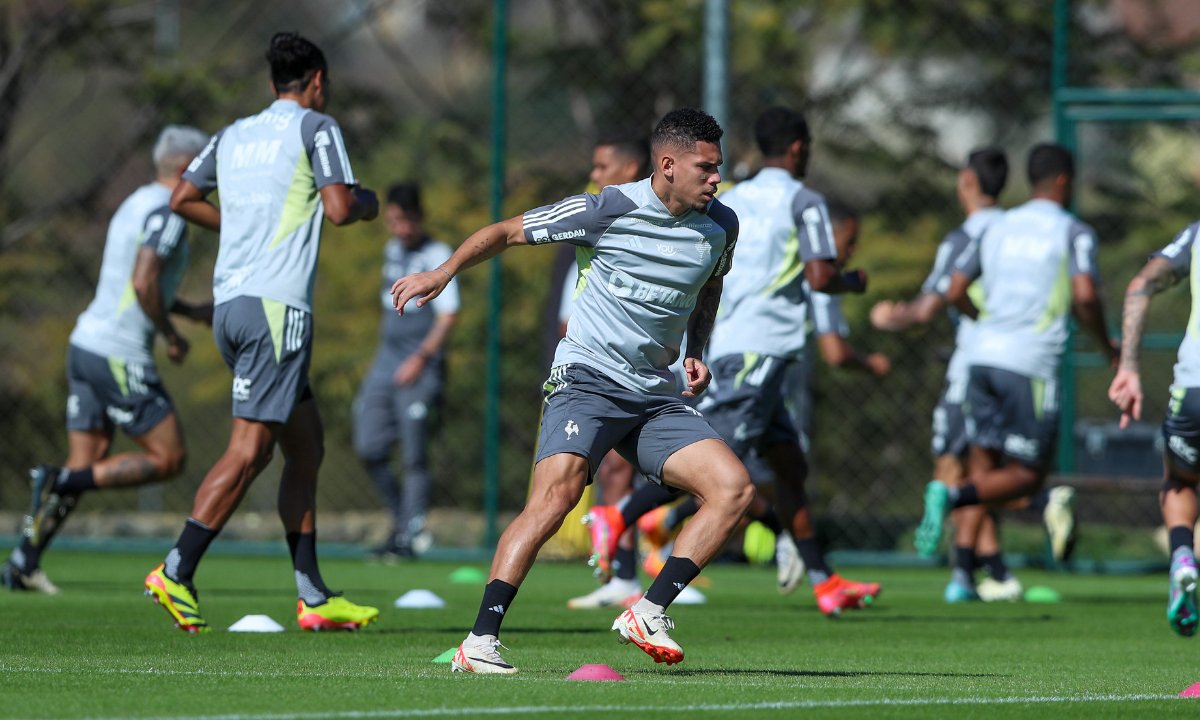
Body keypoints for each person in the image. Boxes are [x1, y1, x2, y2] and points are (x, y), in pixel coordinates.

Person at [392, 108, 748, 674]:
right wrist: (443, 272)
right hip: (587, 378)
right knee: (555, 499)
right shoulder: (606, 208)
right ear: (667, 165)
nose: (715, 179)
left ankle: (647, 612)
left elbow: (708, 291)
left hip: (655, 395)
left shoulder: (721, 226)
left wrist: (696, 350)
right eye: (705, 168)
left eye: (717, 169)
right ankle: (479, 642)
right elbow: (505, 232)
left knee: (733, 489)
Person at [145, 31, 380, 633]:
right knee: (250, 451)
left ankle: (314, 595)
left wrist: (239, 223)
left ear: (273, 82)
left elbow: (181, 197)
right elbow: (337, 207)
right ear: (318, 83)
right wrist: (368, 202)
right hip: (276, 311)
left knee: (305, 447)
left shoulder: (234, 134)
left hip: (232, 307)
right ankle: (177, 569)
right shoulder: (316, 128)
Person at [2, 126, 212, 595]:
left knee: (88, 461)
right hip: (119, 352)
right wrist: (171, 335)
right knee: (169, 457)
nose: (210, 178)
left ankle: (23, 562)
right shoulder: (171, 209)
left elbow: (135, 281)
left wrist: (190, 310)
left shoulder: (136, 202)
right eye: (204, 167)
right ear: (184, 168)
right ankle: (57, 479)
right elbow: (142, 284)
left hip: (86, 344)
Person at [914, 143, 1117, 557]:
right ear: (1064, 181)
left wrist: (983, 322)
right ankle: (950, 497)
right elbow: (1085, 295)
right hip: (1030, 363)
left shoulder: (997, 226)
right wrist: (1105, 343)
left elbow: (954, 290)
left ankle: (967, 573)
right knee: (1026, 476)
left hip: (981, 359)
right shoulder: (1072, 230)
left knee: (984, 466)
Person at [870, 148, 1034, 602]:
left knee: (952, 466)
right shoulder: (1017, 232)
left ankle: (967, 573)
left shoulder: (965, 238)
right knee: (990, 469)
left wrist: (889, 317)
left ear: (966, 180)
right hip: (1022, 362)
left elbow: (930, 305)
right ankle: (990, 571)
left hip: (973, 366)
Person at [559, 134, 656, 610]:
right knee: (612, 470)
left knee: (635, 469)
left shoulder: (654, 226)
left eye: (602, 166)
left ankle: (628, 562)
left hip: (654, 372)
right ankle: (623, 570)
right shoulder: (595, 222)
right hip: (596, 370)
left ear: (632, 167)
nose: (594, 176)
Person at [354, 182, 459, 559]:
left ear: (420, 217)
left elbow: (448, 316)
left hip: (421, 366)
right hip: (385, 362)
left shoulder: (438, 253)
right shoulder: (391, 250)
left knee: (414, 453)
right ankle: (400, 520)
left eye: (407, 220)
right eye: (395, 221)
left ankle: (410, 534)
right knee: (369, 444)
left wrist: (420, 358)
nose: (401, 229)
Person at [1108, 222, 1200, 636]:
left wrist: (1128, 367)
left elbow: (1141, 285)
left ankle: (1182, 553)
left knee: (1180, 480)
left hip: (1192, 389)